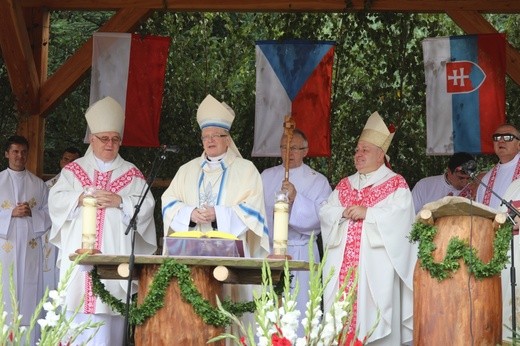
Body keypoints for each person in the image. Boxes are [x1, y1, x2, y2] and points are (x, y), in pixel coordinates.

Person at [48, 96, 157, 345]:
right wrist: (81, 197)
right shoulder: (74, 170)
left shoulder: (132, 174)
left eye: (115, 139)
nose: (110, 144)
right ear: (93, 140)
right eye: (105, 139)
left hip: (112, 264)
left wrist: (120, 201)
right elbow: (55, 201)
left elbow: (147, 206)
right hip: (78, 267)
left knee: (108, 326)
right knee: (75, 322)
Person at [319, 112, 416, 345]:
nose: (358, 155)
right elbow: (325, 211)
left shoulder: (395, 184)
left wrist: (368, 213)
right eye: (357, 150)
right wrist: (342, 212)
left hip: (375, 268)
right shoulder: (345, 184)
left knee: (376, 322)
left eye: (365, 150)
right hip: (343, 269)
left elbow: (401, 220)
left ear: (380, 155)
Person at [162, 94, 269, 258]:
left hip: (231, 253)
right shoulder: (186, 170)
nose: (210, 140)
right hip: (191, 252)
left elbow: (253, 210)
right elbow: (168, 201)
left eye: (215, 135)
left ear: (227, 139)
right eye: (205, 136)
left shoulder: (246, 170)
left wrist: (217, 215)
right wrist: (189, 214)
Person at [260, 128, 331, 336]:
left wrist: (295, 198)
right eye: (284, 147)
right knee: (270, 311)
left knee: (301, 310)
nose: (288, 153)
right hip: (271, 251)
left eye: (294, 148)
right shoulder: (266, 177)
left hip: (302, 252)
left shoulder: (318, 181)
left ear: (305, 150)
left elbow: (322, 218)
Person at [0, 135, 51, 343]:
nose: (19, 156)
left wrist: (33, 214)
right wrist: (9, 214)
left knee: (29, 295)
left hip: (31, 250)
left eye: (23, 152)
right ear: (6, 154)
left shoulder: (38, 184)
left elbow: (49, 214)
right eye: (15, 151)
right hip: (5, 248)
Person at [475, 123, 520, 340]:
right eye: (497, 137)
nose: (501, 141)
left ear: (519, 143)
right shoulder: (485, 179)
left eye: (508, 137)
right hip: (492, 247)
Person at [43, 146, 82, 294]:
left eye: (74, 161)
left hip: (72, 235)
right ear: (61, 161)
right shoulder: (47, 186)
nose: (69, 163)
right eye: (66, 159)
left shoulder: (82, 188)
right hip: (49, 235)